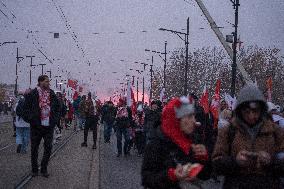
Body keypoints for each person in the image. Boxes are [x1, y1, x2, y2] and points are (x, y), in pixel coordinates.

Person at [212, 84, 284, 189]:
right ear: (240, 111)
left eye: (255, 111)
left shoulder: (275, 131)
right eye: (247, 112)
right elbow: (216, 164)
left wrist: (270, 162)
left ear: (262, 110)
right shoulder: (228, 131)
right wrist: (235, 162)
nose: (251, 116)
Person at [142, 96, 211, 189]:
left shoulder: (194, 140)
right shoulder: (156, 143)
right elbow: (147, 179)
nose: (194, 121)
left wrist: (204, 159)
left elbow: (206, 175)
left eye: (194, 116)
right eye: (189, 116)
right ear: (176, 120)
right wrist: (171, 175)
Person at [22, 75, 60, 178]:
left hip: (48, 126)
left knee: (48, 147)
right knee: (34, 148)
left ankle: (44, 168)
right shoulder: (32, 94)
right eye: (46, 81)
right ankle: (34, 170)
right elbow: (24, 110)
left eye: (48, 81)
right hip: (36, 126)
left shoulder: (51, 94)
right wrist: (32, 120)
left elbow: (58, 108)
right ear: (40, 82)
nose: (48, 83)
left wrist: (54, 121)